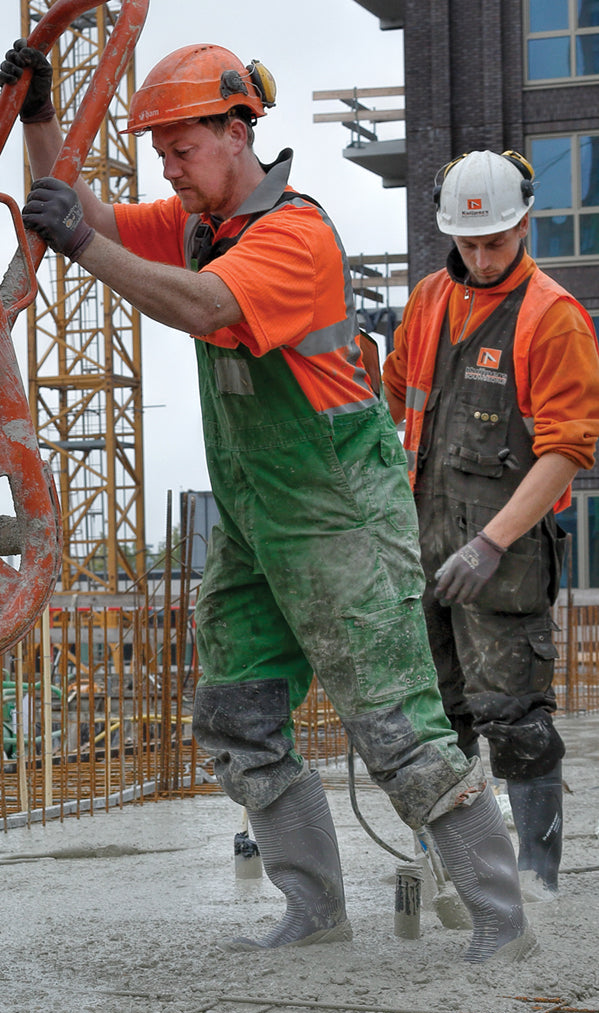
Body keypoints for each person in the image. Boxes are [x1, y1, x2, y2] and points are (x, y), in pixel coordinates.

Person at [2, 42, 533, 961]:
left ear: (238, 131)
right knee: (238, 718)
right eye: (160, 152)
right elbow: (86, 213)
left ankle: (500, 922)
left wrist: (84, 247)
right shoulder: (202, 221)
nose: (168, 167)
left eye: (182, 148)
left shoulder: (291, 235)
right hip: (255, 519)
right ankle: (314, 911)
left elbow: (205, 309)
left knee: (395, 728)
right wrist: (43, 117)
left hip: (337, 520)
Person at [382, 149, 599, 899]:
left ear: (523, 224)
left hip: (502, 560)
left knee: (514, 722)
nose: (479, 257)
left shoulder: (552, 320)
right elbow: (394, 413)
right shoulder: (426, 304)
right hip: (422, 547)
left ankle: (537, 888)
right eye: (467, 243)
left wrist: (490, 541)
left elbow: (568, 451)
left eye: (495, 242)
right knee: (431, 723)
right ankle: (449, 873)